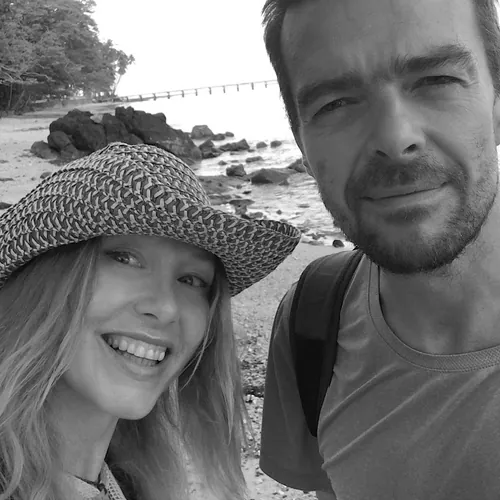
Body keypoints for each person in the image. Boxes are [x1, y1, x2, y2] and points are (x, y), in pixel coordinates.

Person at [259, 0, 500, 499]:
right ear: (300, 142)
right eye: (335, 104)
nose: (395, 138)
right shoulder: (312, 322)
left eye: (436, 80)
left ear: (497, 99)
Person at [0, 142, 301, 500]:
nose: (167, 308)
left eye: (192, 280)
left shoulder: (132, 479)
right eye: (125, 258)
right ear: (43, 276)